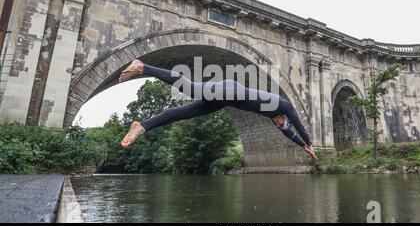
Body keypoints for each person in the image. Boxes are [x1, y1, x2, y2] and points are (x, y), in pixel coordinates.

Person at [119, 59, 318, 160]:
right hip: (229, 90)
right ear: (283, 118)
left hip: (225, 99)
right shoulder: (283, 105)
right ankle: (142, 67)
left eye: (278, 126)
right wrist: (308, 143)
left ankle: (142, 127)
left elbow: (290, 134)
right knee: (191, 88)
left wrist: (301, 147)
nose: (277, 125)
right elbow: (298, 127)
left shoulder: (273, 114)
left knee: (182, 113)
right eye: (280, 124)